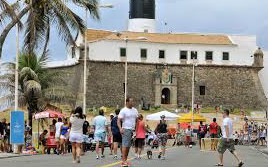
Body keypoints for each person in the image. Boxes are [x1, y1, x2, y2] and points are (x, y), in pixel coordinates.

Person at [117, 97, 138, 166]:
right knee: (125, 145)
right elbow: (118, 120)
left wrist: (136, 130)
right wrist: (120, 128)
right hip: (126, 129)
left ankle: (125, 160)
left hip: (132, 130)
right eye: (131, 101)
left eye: (133, 101)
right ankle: (123, 161)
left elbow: (137, 121)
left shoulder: (135, 110)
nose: (132, 103)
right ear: (127, 102)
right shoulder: (123, 110)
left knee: (128, 146)